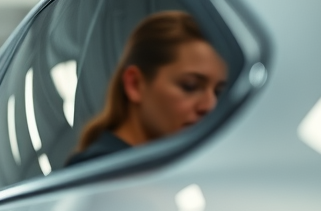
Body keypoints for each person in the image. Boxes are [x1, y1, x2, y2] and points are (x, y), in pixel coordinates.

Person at [66, 11, 227, 167]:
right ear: (134, 84)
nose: (210, 106)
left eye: (218, 92)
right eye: (190, 86)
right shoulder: (100, 171)